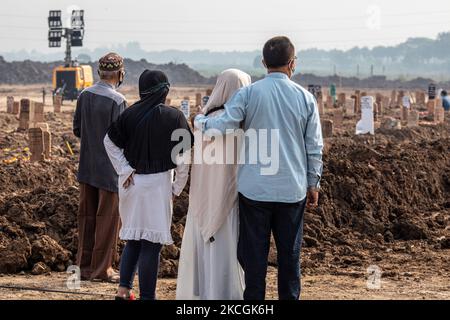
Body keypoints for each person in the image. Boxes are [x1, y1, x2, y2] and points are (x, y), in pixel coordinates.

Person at [194, 36, 324, 300]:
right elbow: (314, 147)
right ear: (292, 64)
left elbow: (224, 126)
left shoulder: (249, 93)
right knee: (290, 258)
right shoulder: (306, 99)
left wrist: (200, 120)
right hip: (292, 191)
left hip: (254, 192)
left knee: (253, 259)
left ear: (264, 62)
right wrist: (314, 183)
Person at [104, 70, 193, 300]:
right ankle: (148, 297)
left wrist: (125, 169)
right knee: (151, 246)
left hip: (131, 186)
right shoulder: (175, 117)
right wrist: (176, 189)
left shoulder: (129, 114)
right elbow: (183, 158)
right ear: (165, 90)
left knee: (133, 240)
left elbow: (109, 142)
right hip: (158, 185)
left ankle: (123, 291)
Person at [176, 69, 251, 300]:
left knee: (206, 248)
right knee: (225, 249)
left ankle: (205, 294)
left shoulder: (203, 120)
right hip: (228, 196)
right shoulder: (238, 122)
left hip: (203, 195)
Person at [73, 52, 127, 283]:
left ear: (99, 72)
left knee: (86, 218)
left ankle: (83, 268)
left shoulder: (83, 95)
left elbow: (77, 130)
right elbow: (123, 139)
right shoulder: (118, 101)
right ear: (120, 74)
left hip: (86, 167)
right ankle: (102, 269)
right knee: (108, 220)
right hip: (109, 171)